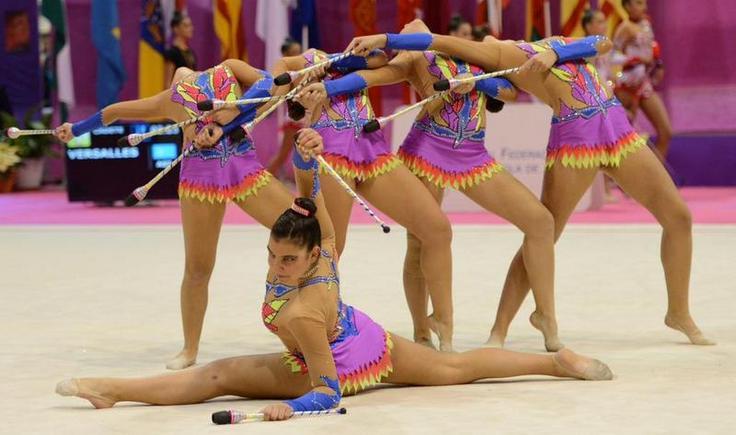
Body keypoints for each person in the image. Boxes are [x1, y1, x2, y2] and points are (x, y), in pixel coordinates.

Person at [55, 128, 613, 419]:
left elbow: (326, 392)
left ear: (315, 259)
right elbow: (310, 197)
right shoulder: (316, 245)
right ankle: (555, 363)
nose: (277, 266)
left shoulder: (303, 307)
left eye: (287, 262)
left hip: (332, 357)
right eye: (272, 257)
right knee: (455, 367)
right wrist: (305, 159)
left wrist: (289, 407)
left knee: (216, 377)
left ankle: (110, 388)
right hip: (367, 336)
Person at [344, 22, 713, 347]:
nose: (480, 38)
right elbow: (431, 43)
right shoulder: (502, 52)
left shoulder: (547, 46)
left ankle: (678, 312)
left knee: (677, 217)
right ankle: (489, 329)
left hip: (616, 132)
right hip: (568, 143)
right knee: (519, 230)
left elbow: (600, 42)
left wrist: (554, 52)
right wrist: (385, 39)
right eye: (477, 41)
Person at [299, 19, 563, 352]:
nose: (464, 38)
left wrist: (476, 84)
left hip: (471, 154)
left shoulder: (483, 54)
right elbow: (378, 74)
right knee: (422, 241)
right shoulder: (418, 53)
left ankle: (543, 316)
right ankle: (425, 330)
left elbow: (510, 90)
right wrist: (331, 88)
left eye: (467, 35)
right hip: (426, 149)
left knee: (539, 221)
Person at [56, 59, 303, 370]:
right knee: (198, 268)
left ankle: (304, 314)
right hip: (201, 180)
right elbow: (114, 111)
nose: (187, 79)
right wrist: (74, 129)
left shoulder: (227, 69)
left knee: (303, 231)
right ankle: (190, 349)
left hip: (243, 168)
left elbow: (270, 83)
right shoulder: (172, 98)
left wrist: (227, 117)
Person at [276, 47, 457, 351]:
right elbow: (281, 67)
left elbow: (379, 60)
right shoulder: (313, 57)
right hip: (330, 149)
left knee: (437, 230)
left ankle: (438, 325)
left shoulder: (354, 52)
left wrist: (330, 70)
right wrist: (293, 86)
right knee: (328, 251)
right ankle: (310, 329)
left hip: (372, 149)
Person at [613, 0, 672, 161]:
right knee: (622, 139)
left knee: (666, 132)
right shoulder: (624, 28)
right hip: (627, 85)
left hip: (644, 84)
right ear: (627, 7)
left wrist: (658, 64)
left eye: (644, 3)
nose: (644, 7)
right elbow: (612, 55)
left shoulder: (646, 23)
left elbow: (651, 48)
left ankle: (655, 180)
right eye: (638, 3)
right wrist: (635, 59)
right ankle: (619, 180)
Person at [266, 38, 304, 178]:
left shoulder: (303, 68)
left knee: (307, 152)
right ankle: (266, 180)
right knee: (284, 153)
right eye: (294, 52)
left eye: (299, 52)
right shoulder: (286, 73)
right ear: (286, 55)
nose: (298, 55)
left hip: (307, 116)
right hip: (295, 117)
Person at [164, 12, 197, 86]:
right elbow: (168, 82)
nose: (191, 28)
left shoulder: (190, 52)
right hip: (178, 93)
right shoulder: (172, 53)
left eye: (190, 25)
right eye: (186, 26)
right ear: (176, 29)